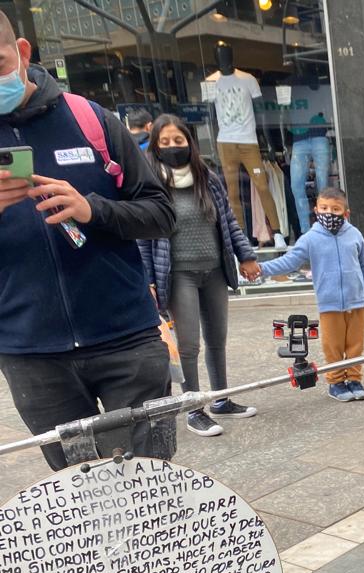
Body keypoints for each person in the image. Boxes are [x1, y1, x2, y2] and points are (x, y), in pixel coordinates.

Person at [0, 12, 177, 470]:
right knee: (78, 499)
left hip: (126, 341)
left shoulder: (91, 120)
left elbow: (161, 214)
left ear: (22, 52)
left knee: (148, 483)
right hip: (32, 355)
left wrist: (92, 209)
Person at [137, 113, 260, 437]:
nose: (173, 147)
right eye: (165, 142)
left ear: (189, 142)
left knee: (217, 340)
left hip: (215, 270)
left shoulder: (207, 176)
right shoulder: (151, 184)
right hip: (179, 275)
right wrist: (146, 279)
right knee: (189, 344)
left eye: (179, 140)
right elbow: (143, 238)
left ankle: (220, 400)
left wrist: (245, 255)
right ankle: (194, 410)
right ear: (155, 145)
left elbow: (229, 221)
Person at [251, 187, 364, 402]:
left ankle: (355, 379)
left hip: (357, 300)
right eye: (324, 208)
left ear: (346, 213)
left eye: (335, 209)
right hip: (329, 304)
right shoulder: (311, 238)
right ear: (316, 209)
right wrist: (262, 268)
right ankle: (336, 383)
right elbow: (289, 261)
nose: (329, 213)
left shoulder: (355, 234)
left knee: (356, 345)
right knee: (333, 346)